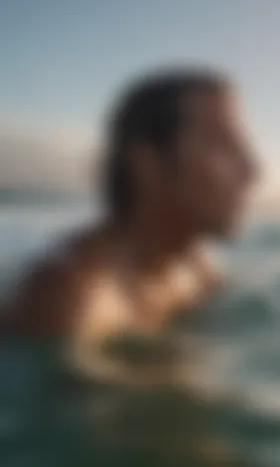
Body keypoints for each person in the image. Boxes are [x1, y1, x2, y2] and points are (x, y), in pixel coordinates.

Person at [0, 67, 259, 466]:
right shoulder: (72, 297)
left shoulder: (197, 270)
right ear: (147, 163)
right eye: (222, 145)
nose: (252, 168)